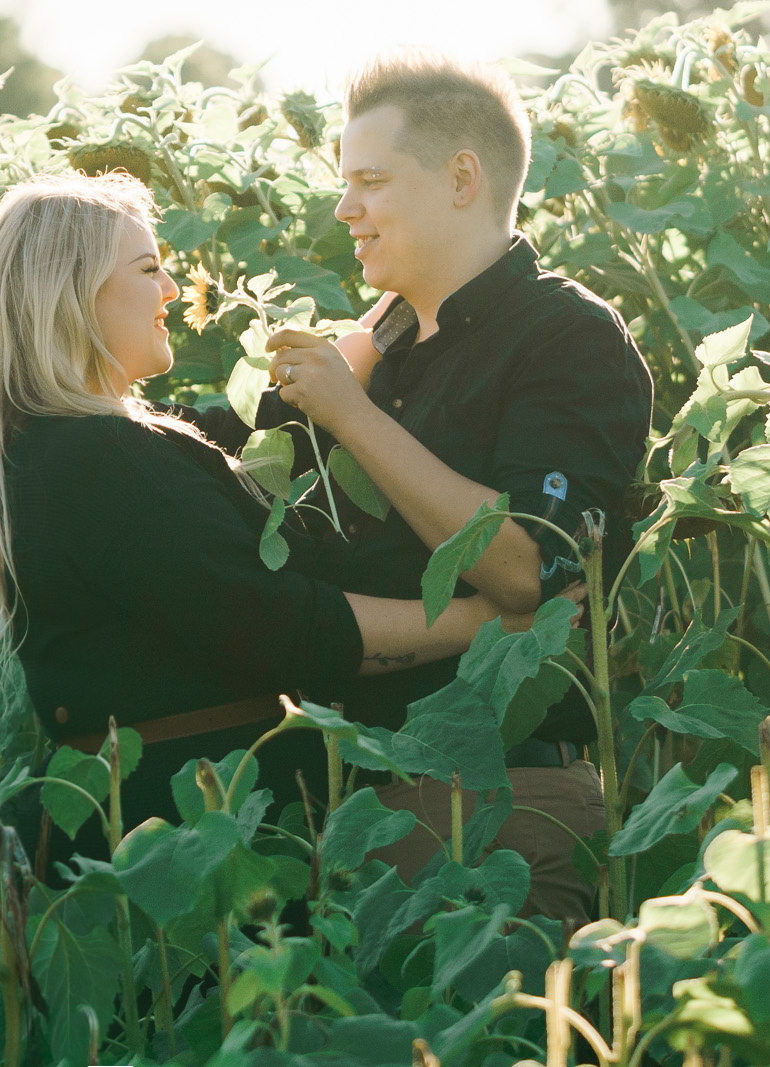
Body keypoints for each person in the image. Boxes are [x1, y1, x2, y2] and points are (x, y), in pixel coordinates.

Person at [0, 171, 516, 865]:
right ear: (71, 293)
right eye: (149, 269)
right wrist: (483, 621)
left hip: (153, 815)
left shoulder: (65, 447)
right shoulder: (94, 458)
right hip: (187, 832)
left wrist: (399, 312)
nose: (173, 289)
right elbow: (285, 626)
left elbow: (264, 427)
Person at [258, 52, 655, 930]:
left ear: (462, 178)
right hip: (350, 804)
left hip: (497, 804)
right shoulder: (382, 346)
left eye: (370, 180)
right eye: (344, 182)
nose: (345, 207)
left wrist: (354, 417)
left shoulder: (567, 334)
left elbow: (528, 569)